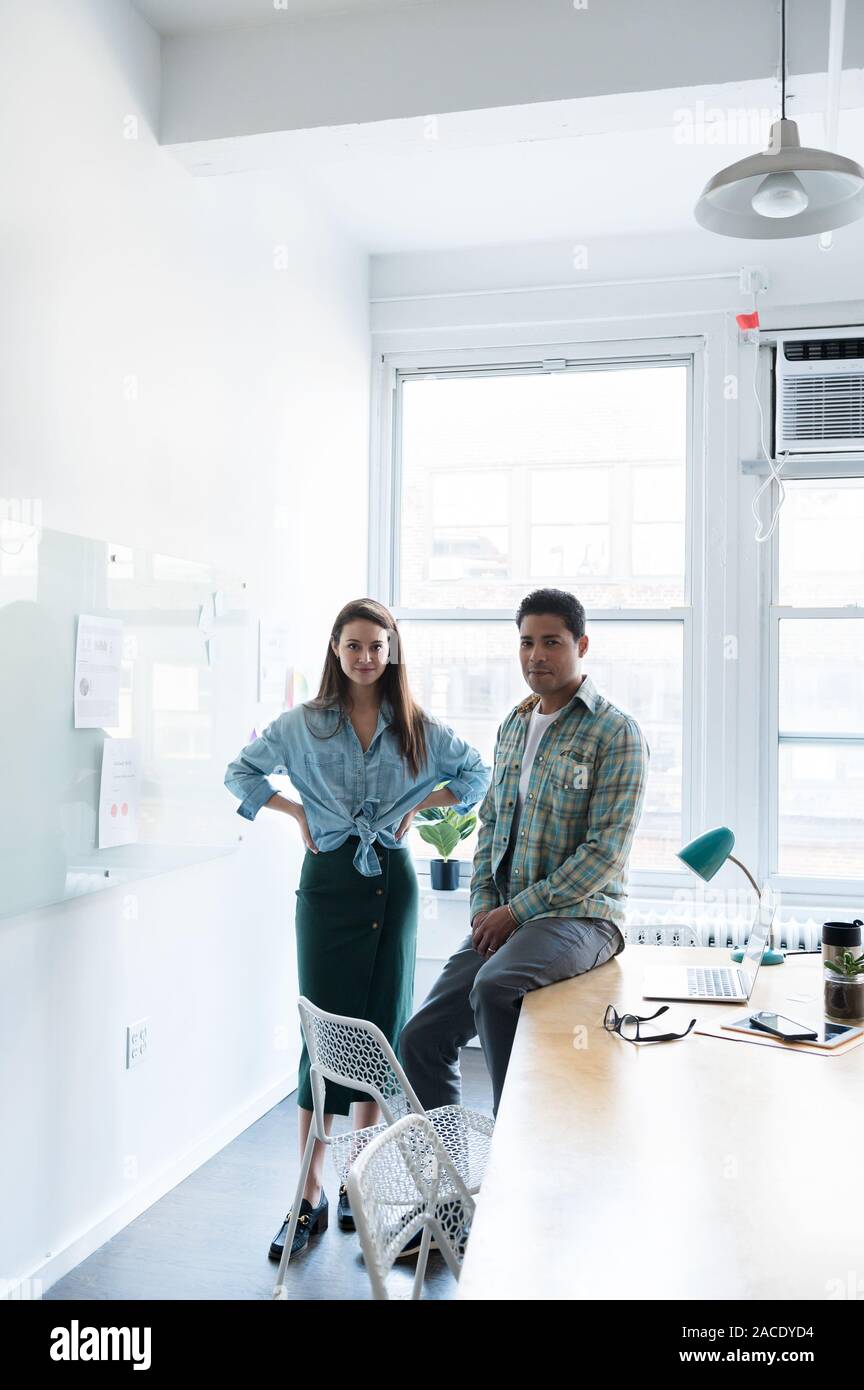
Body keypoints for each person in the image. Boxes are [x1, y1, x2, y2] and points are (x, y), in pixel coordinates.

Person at [223, 598, 490, 1262]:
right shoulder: (302, 726)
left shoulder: (418, 729)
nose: (366, 656)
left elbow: (477, 776)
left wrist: (418, 806)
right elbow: (240, 772)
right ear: (335, 651)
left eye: (377, 645)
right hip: (328, 886)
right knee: (326, 1036)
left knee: (380, 1030)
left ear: (392, 651)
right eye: (354, 646)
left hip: (392, 888)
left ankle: (355, 1174)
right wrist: (293, 813)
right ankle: (307, 1188)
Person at [399, 587, 650, 1120]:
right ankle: (448, 1191)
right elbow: (492, 826)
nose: (536, 655)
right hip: (509, 917)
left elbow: (605, 852)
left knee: (495, 986)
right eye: (527, 642)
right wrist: (483, 908)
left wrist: (516, 911)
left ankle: (521, 1147)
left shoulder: (616, 732)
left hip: (584, 916)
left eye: (552, 642)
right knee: (421, 1038)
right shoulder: (514, 724)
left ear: (581, 644)